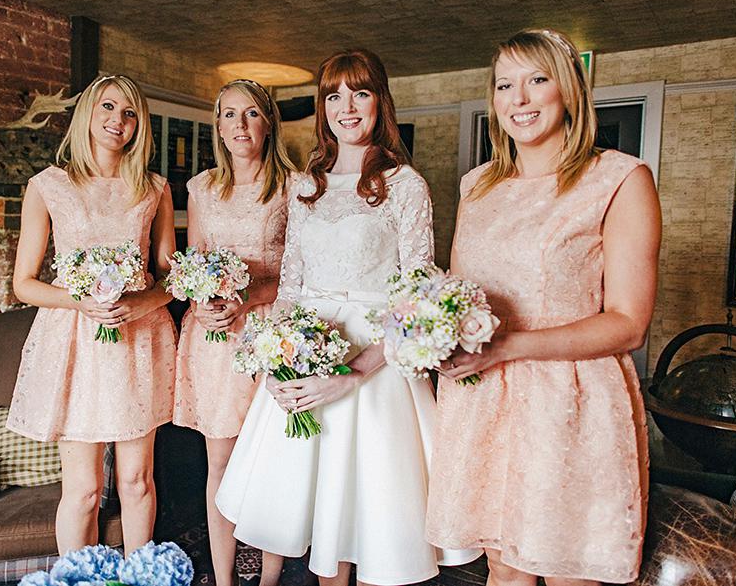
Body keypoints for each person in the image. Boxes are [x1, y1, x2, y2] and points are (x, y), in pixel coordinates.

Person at [216, 49, 481, 586]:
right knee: (320, 519)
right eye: (334, 95)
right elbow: (290, 285)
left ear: (380, 101)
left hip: (372, 367)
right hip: (306, 353)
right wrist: (276, 360)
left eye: (360, 92)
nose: (347, 106)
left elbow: (417, 299)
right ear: (322, 107)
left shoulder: (405, 184)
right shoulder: (304, 184)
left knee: (367, 517)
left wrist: (354, 372)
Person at [424, 29, 661, 586]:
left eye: (537, 80)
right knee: (503, 572)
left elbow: (629, 323)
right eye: (505, 85)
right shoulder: (477, 185)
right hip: (484, 400)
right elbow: (460, 294)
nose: (520, 99)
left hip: (569, 403)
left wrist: (507, 346)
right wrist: (436, 337)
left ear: (570, 91)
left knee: (567, 572)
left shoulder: (620, 180)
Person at [7, 75, 177, 556]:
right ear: (87, 113)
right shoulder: (47, 187)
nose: (117, 121)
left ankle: (139, 574)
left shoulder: (154, 189)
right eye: (108, 107)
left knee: (136, 481)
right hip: (74, 346)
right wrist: (81, 301)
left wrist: (140, 302)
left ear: (139, 125)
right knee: (82, 493)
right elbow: (24, 285)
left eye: (129, 113)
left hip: (137, 342)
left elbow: (171, 279)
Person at [172, 79, 296, 586]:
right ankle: (224, 580)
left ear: (268, 122)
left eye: (250, 114)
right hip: (215, 336)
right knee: (218, 461)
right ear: (217, 125)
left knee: (270, 457)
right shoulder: (201, 187)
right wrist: (202, 304)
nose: (239, 126)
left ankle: (268, 578)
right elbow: (196, 260)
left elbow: (300, 269)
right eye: (228, 115)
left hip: (269, 330)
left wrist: (254, 296)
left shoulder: (295, 185)